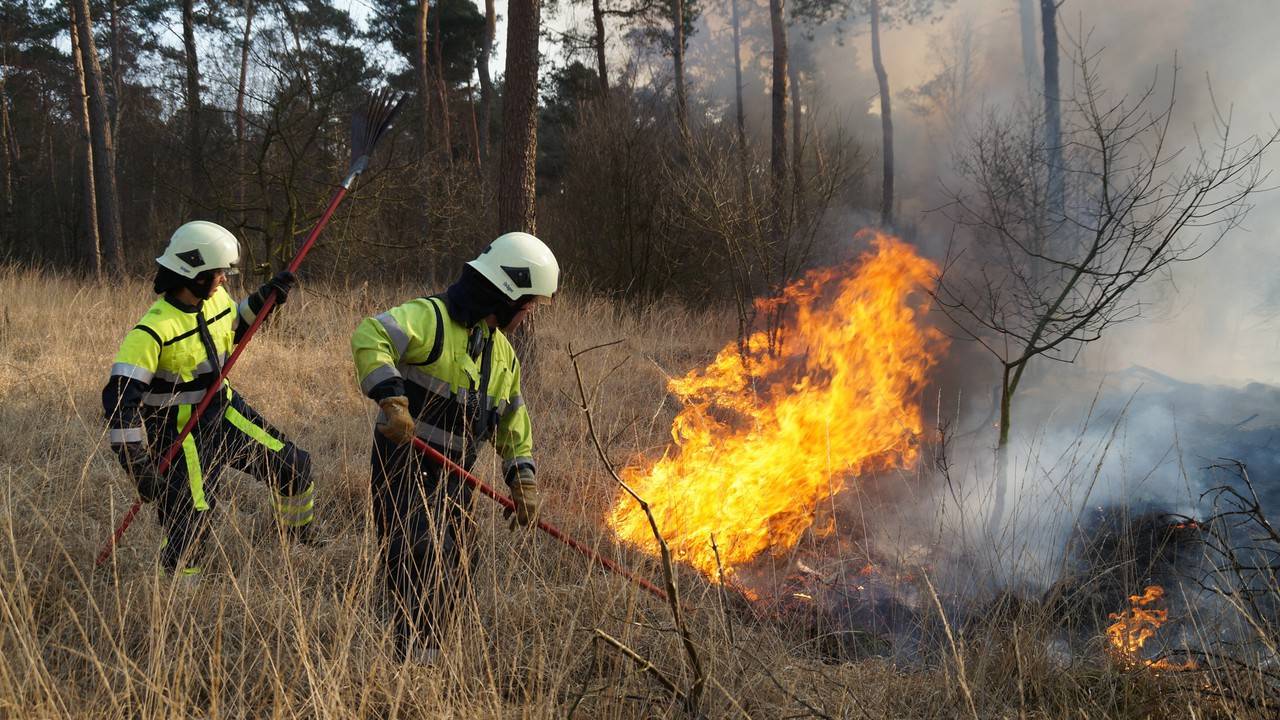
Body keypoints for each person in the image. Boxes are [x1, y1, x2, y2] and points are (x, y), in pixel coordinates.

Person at [351, 231, 558, 660]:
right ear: (506, 294)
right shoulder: (431, 317)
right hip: (402, 460)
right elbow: (372, 335)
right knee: (420, 552)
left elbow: (513, 420)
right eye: (528, 305)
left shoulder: (503, 356)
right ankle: (412, 659)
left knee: (461, 563)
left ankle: (432, 648)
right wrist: (391, 398)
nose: (527, 315)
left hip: (457, 472)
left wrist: (523, 480)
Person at [102, 221, 317, 576]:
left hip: (223, 409)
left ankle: (298, 537)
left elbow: (235, 323)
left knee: (295, 468)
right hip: (179, 432)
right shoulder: (151, 332)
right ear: (196, 274)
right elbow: (120, 405)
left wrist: (267, 298)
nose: (225, 280)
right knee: (190, 521)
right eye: (220, 272)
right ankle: (181, 594)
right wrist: (138, 468)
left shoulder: (214, 298)